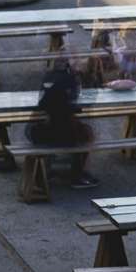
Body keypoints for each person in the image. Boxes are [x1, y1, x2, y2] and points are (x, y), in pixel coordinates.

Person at [26, 59, 99, 188]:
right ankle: (76, 175)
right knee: (84, 133)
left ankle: (74, 173)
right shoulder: (67, 81)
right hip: (43, 131)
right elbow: (58, 108)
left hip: (37, 129)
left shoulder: (56, 78)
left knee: (80, 130)